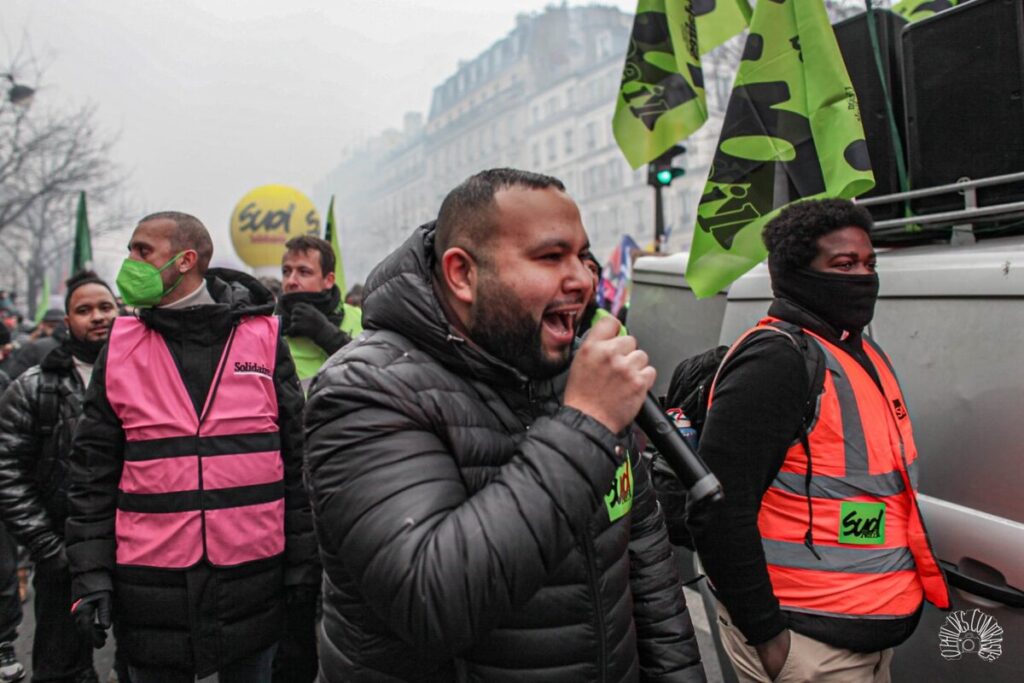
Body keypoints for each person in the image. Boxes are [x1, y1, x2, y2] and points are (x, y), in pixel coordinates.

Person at [305, 168, 705, 682]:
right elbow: (430, 600)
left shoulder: (576, 370)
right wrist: (588, 423)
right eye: (549, 257)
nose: (583, 278)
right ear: (462, 274)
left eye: (583, 256)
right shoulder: (364, 389)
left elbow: (645, 563)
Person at [688, 199, 950, 683]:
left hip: (864, 635)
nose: (863, 276)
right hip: (805, 642)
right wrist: (769, 639)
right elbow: (719, 507)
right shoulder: (777, 361)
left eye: (869, 263)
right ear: (795, 274)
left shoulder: (859, 350)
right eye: (844, 264)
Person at [65, 211, 318, 682]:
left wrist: (303, 565)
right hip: (151, 585)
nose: (129, 264)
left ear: (184, 261)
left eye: (143, 251)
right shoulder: (119, 346)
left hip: (253, 578)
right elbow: (91, 475)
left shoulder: (263, 338)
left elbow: (296, 461)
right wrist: (89, 576)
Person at [0, 271, 119, 683]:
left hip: (138, 552)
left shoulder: (147, 382)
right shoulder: (34, 388)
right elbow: (7, 473)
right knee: (62, 668)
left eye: (106, 307)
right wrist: (48, 548)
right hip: (61, 555)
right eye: (84, 310)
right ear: (66, 321)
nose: (98, 317)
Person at [277, 235, 362, 394]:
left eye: (303, 272)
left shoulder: (360, 318)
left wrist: (326, 334)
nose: (291, 281)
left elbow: (376, 374)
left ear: (328, 280)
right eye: (286, 272)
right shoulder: (269, 328)